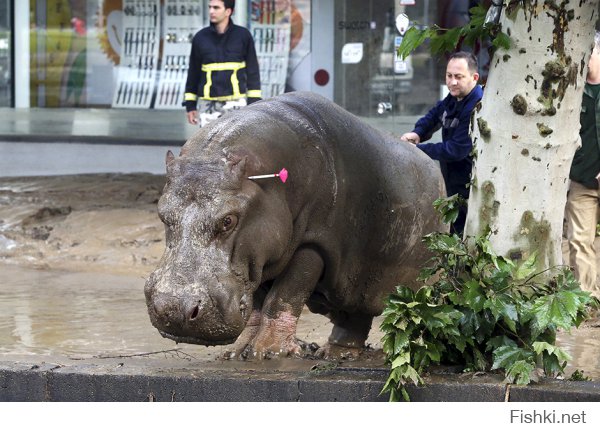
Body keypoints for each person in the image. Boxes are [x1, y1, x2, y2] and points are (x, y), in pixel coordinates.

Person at [400, 51, 483, 235]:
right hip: (453, 182)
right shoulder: (454, 97)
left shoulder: (477, 104)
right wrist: (418, 132)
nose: (452, 82)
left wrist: (417, 150)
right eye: (449, 76)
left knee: (466, 234)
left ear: (474, 77)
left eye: (459, 77)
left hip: (472, 186)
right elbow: (435, 115)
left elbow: (456, 150)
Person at [183, 0, 261, 126]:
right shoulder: (200, 38)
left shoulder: (243, 36)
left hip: (237, 104)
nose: (211, 11)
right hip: (208, 105)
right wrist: (190, 105)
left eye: (216, 8)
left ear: (228, 11)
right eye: (210, 7)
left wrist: (254, 103)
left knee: (237, 144)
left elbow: (253, 72)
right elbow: (193, 73)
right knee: (208, 145)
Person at [565, 31, 600, 298]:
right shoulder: (572, 91)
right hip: (582, 179)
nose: (585, 59)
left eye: (590, 53)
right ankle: (589, 300)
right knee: (579, 240)